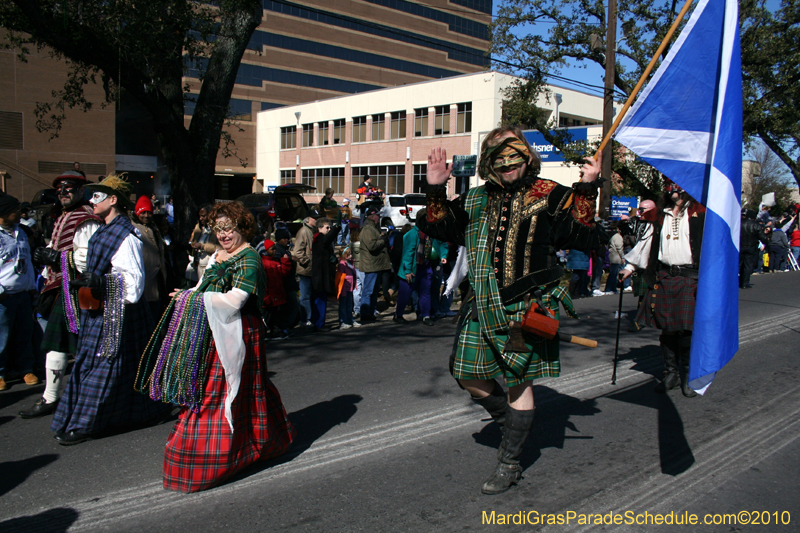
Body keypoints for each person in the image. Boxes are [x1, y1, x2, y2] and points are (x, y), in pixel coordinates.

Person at [420, 127, 603, 495]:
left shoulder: (550, 193)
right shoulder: (473, 200)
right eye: (498, 160)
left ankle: (510, 462)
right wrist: (437, 187)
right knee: (465, 373)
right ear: (488, 163)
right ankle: (511, 421)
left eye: (513, 158)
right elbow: (440, 227)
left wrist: (587, 187)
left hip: (525, 310)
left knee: (518, 381)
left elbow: (583, 235)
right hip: (481, 304)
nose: (506, 166)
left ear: (527, 158)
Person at [137, 201, 295, 493]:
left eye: (229, 229)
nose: (223, 235)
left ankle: (222, 455)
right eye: (218, 229)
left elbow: (236, 300)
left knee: (229, 389)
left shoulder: (249, 258)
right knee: (238, 388)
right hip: (216, 328)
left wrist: (192, 300)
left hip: (241, 331)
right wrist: (187, 293)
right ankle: (264, 440)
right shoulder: (221, 255)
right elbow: (204, 288)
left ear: (242, 228)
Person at [51, 174, 164, 445]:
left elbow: (134, 286)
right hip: (100, 311)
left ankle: (85, 423)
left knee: (105, 369)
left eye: (98, 196)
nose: (92, 200)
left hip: (118, 315)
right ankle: (120, 415)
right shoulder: (103, 228)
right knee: (101, 366)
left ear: (113, 200)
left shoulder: (127, 235)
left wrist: (101, 281)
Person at [18, 171, 102, 415]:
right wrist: (46, 257)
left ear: (80, 190)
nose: (63, 193)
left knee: (82, 345)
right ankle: (51, 397)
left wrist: (57, 257)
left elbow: (89, 259)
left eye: (69, 188)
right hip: (62, 286)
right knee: (59, 344)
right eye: (59, 190)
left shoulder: (86, 218)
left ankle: (73, 397)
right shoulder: (64, 216)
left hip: (81, 288)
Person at [621, 179, 705, 399]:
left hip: (691, 277)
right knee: (667, 328)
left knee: (687, 329)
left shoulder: (700, 211)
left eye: (680, 185)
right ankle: (671, 372)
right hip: (665, 276)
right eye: (672, 186)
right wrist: (629, 267)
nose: (675, 190)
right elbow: (647, 244)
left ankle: (689, 374)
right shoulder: (659, 215)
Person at [0, 192, 38, 392]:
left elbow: (27, 261)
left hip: (23, 292)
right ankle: (0, 372)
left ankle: (25, 368)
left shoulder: (21, 232)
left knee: (24, 334)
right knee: (1, 337)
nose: (18, 213)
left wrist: (31, 286)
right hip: (3, 296)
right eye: (14, 210)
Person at [394, 210, 448, 326]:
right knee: (405, 293)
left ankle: (425, 315)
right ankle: (398, 315)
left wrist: (443, 255)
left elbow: (441, 243)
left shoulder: (431, 232)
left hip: (425, 267)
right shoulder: (412, 235)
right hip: (411, 269)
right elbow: (407, 254)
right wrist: (407, 271)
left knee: (425, 292)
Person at [132, 196, 168, 318]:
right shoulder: (134, 229)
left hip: (157, 280)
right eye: (143, 212)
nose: (146, 215)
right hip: (145, 281)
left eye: (149, 212)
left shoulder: (153, 227)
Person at [358, 206, 391, 322]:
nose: (380, 217)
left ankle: (371, 312)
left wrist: (382, 237)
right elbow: (372, 246)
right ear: (373, 216)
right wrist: (383, 240)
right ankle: (365, 314)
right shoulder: (368, 229)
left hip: (376, 264)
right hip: (371, 265)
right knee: (368, 291)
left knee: (374, 291)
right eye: (378, 215)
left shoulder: (373, 228)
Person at [292, 207, 321, 327]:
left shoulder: (312, 231)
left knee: (311, 296)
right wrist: (307, 262)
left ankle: (310, 319)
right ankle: (305, 320)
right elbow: (297, 251)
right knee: (305, 296)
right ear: (308, 219)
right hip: (305, 270)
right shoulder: (304, 231)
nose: (316, 221)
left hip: (311, 270)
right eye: (315, 218)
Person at [310, 217, 340, 332]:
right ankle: (318, 324)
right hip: (320, 275)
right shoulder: (319, 238)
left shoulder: (321, 239)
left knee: (321, 299)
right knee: (320, 300)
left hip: (323, 273)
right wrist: (336, 228)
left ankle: (319, 323)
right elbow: (327, 240)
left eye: (330, 228)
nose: (328, 230)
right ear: (319, 228)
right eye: (327, 227)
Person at [260, 238, 293, 339]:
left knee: (276, 315)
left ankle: (276, 332)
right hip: (269, 295)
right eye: (272, 249)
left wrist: (285, 261)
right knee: (267, 317)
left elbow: (283, 273)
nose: (275, 251)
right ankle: (264, 333)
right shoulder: (263, 264)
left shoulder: (275, 261)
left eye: (275, 249)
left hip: (277, 294)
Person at [189, 205, 220, 282]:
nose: (201, 219)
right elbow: (192, 240)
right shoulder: (198, 227)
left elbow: (220, 248)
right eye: (199, 216)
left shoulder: (216, 229)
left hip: (210, 266)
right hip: (198, 264)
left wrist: (202, 246)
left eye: (203, 216)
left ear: (210, 215)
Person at [739, 208, 767, 288]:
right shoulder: (755, 224)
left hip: (740, 246)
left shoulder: (739, 223)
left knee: (739, 264)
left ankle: (738, 281)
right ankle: (745, 282)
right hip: (751, 247)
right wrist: (767, 242)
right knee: (748, 265)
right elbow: (762, 237)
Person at [337, 247, 359, 329]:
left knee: (349, 305)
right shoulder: (342, 265)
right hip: (344, 288)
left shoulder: (350, 263)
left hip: (350, 287)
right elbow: (341, 278)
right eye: (348, 254)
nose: (350, 255)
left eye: (350, 254)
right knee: (343, 306)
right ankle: (343, 321)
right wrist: (342, 290)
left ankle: (350, 320)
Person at [604, 222, 626, 294]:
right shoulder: (617, 236)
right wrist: (622, 256)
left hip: (612, 256)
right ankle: (609, 288)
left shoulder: (612, 236)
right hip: (616, 257)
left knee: (614, 273)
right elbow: (619, 247)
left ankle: (613, 288)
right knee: (613, 273)